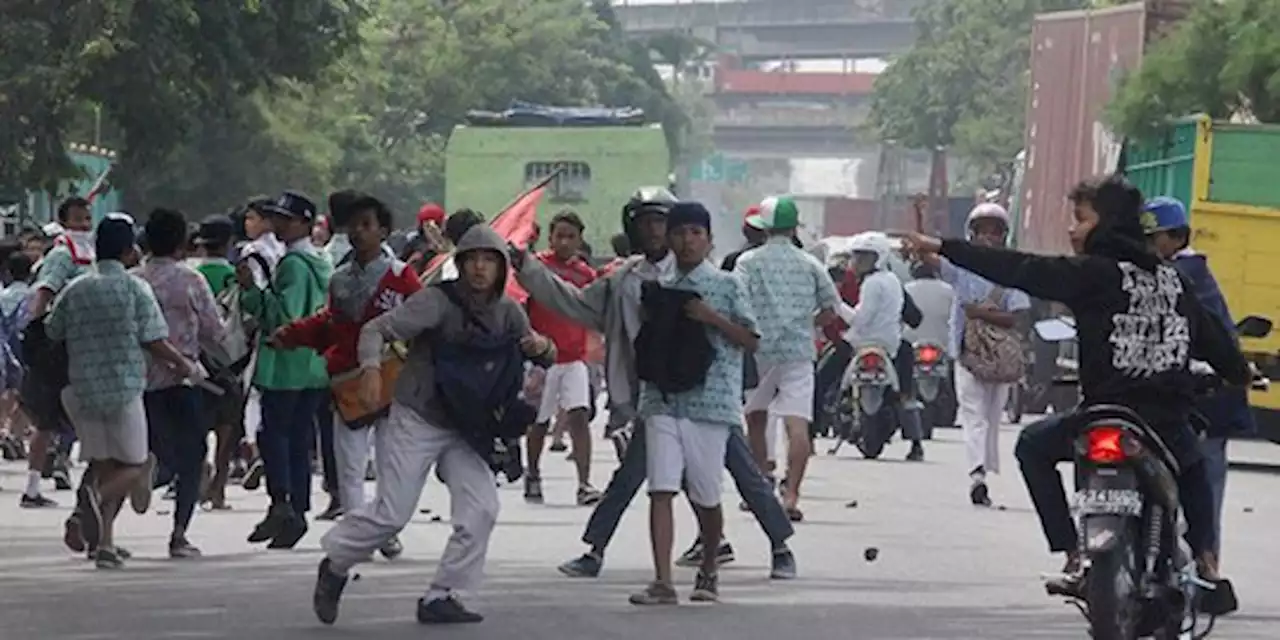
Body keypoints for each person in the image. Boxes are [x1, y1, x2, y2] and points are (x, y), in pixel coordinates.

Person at [899, 173, 1249, 615]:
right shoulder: (1173, 281)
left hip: (1103, 416)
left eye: (1081, 219)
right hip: (1162, 422)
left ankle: (1072, 553)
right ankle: (1207, 567)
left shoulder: (1091, 274)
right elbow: (1216, 342)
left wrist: (943, 245)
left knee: (1032, 445)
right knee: (1195, 473)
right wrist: (1237, 373)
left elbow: (1019, 267)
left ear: (1108, 224)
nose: (1072, 229)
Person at [515, 187, 797, 581]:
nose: (654, 231)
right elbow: (576, 303)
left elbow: (747, 336)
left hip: (706, 395)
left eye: (662, 223)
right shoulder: (624, 279)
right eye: (644, 222)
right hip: (654, 393)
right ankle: (602, 551)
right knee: (638, 477)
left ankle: (778, 546)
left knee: (738, 472)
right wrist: (526, 268)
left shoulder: (709, 279)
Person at [312, 223, 555, 626]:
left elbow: (545, 351)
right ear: (460, 264)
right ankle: (335, 563)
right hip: (418, 416)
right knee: (392, 514)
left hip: (467, 426)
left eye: (489, 260)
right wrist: (371, 369)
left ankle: (444, 595)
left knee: (482, 509)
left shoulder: (508, 312)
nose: (480, 268)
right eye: (472, 259)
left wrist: (542, 346)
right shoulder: (436, 302)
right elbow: (376, 329)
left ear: (501, 269)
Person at [272, 194, 421, 558]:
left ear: (383, 231)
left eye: (367, 225)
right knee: (349, 465)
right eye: (353, 225)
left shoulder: (402, 278)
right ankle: (359, 532)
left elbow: (421, 323)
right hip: (348, 384)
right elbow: (330, 325)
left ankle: (384, 528)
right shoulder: (338, 278)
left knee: (390, 464)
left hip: (392, 383)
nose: (358, 231)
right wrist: (293, 334)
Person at [48, 213, 199, 569]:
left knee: (103, 462)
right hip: (125, 386)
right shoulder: (134, 288)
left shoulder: (76, 287)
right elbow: (154, 340)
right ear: (130, 249)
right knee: (136, 462)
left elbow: (54, 331)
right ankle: (94, 498)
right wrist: (185, 366)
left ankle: (104, 546)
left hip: (82, 387)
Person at [630, 201, 759, 605]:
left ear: (708, 239)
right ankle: (663, 580)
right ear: (669, 239)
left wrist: (711, 317)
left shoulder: (727, 284)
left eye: (695, 233)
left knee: (705, 493)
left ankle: (708, 569)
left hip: (711, 403)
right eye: (679, 233)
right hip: (662, 400)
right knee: (661, 488)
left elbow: (751, 339)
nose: (687, 241)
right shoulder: (656, 283)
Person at [1143, 196, 1252, 565]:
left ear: (1176, 238)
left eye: (1153, 237)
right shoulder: (1169, 273)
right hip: (1175, 397)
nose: (1147, 246)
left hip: (1204, 401)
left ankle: (1207, 565)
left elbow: (1208, 340)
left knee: (1204, 480)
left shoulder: (1186, 277)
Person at [236, 190, 333, 549]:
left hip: (286, 362)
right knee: (298, 439)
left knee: (272, 434)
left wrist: (251, 292)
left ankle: (282, 502)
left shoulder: (292, 263)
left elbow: (283, 314)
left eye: (286, 219)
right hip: (314, 364)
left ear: (304, 224)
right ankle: (299, 507)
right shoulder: (321, 260)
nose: (278, 224)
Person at [734, 195, 841, 521]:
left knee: (756, 415)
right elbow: (831, 309)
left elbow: (737, 303)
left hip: (759, 351)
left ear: (764, 227)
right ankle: (791, 494)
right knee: (798, 425)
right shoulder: (810, 263)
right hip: (798, 352)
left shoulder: (748, 262)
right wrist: (809, 322)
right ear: (794, 226)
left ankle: (762, 484)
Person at [134, 209, 226, 558]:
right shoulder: (191, 281)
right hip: (183, 378)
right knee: (193, 454)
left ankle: (147, 472)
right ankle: (179, 533)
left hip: (140, 379)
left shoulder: (134, 279)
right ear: (181, 241)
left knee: (140, 449)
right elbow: (214, 331)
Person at [939, 203, 1031, 505]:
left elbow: (1016, 317)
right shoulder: (964, 268)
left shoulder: (1010, 268)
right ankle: (978, 471)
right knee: (978, 415)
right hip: (972, 355)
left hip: (988, 355)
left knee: (984, 418)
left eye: (994, 231)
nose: (988, 237)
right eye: (983, 231)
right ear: (973, 233)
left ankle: (979, 470)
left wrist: (979, 313)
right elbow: (931, 256)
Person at [523, 210, 602, 506]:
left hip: (574, 359)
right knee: (539, 422)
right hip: (543, 360)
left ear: (580, 240)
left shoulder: (586, 275)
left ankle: (584, 483)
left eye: (571, 236)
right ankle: (533, 474)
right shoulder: (536, 268)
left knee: (579, 417)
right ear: (550, 237)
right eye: (560, 236)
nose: (565, 242)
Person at [21, 197, 95, 509]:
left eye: (87, 219)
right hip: (60, 349)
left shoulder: (89, 256)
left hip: (84, 347)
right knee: (48, 420)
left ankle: (65, 464)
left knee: (76, 417)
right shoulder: (61, 255)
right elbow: (43, 293)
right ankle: (34, 486)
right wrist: (35, 335)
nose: (84, 225)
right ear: (64, 222)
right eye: (78, 219)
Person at [904, 261, 956, 438]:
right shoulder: (949, 291)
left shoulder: (906, 289)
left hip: (911, 343)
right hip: (943, 344)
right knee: (954, 375)